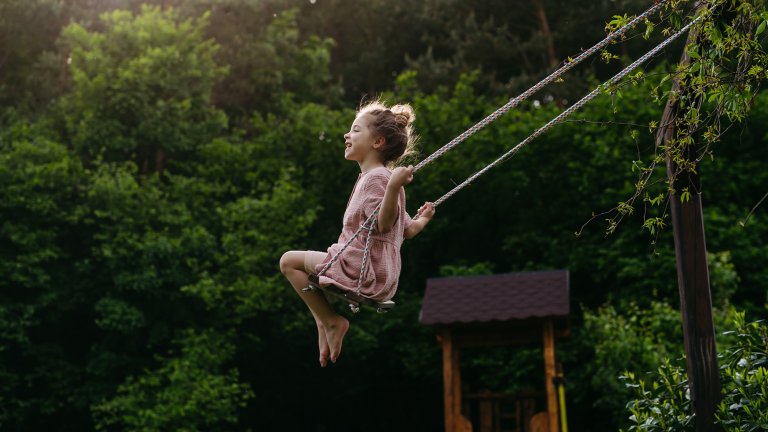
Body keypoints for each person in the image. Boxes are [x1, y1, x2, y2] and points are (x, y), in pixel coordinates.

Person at [279, 100, 435, 367]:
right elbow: (407, 230)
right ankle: (323, 321)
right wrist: (424, 219)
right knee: (303, 274)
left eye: (354, 130)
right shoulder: (382, 179)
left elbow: (383, 225)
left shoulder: (379, 178)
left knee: (288, 262)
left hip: (363, 269)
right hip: (381, 275)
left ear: (377, 142)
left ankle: (329, 321)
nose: (346, 135)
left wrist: (395, 186)